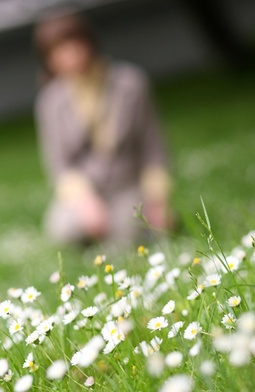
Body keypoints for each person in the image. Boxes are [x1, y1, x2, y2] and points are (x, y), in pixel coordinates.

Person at [34, 12, 172, 246]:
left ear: (89, 43)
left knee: (126, 239)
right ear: (49, 59)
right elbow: (59, 164)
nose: (71, 56)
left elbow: (153, 148)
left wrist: (157, 200)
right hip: (88, 188)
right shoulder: (50, 101)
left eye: (74, 46)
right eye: (59, 51)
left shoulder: (130, 83)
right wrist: (85, 201)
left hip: (128, 183)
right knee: (63, 228)